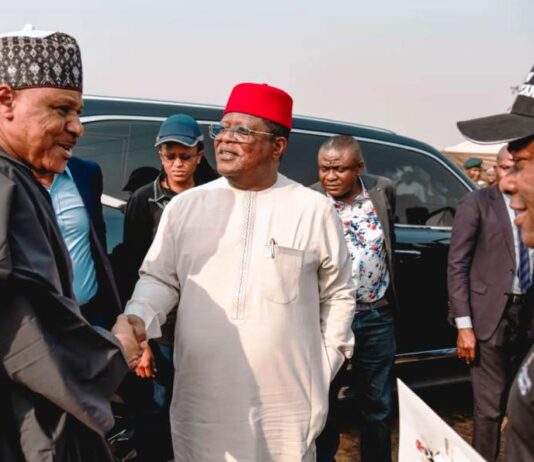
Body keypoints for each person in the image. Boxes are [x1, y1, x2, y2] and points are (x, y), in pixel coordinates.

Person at [123, 82, 356, 461]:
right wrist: (138, 316)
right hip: (202, 398)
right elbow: (160, 278)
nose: (225, 140)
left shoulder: (312, 210)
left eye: (242, 131)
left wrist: (327, 360)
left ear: (277, 146)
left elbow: (339, 294)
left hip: (284, 401)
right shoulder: (187, 207)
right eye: (222, 128)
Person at [0, 27, 143, 461]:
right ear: (5, 100)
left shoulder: (22, 181)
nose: (77, 127)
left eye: (78, 111)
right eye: (60, 109)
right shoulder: (6, 188)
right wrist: (116, 347)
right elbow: (30, 337)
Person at [452, 67, 534, 461]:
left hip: (524, 314)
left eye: (523, 165)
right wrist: (464, 325)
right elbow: (458, 265)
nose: (512, 192)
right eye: (508, 167)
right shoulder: (476, 204)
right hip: (491, 318)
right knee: (493, 408)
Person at [121, 114, 206, 462]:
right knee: (156, 411)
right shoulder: (145, 200)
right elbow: (131, 270)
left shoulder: (213, 196)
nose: (176, 164)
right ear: (160, 156)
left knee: (199, 410)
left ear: (199, 154)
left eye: (184, 156)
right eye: (169, 156)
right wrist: (142, 342)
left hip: (202, 326)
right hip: (160, 330)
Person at [312, 135, 397, 462]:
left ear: (359, 168)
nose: (330, 176)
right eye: (324, 169)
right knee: (324, 399)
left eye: (339, 169)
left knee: (377, 404)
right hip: (327, 318)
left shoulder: (381, 191)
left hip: (376, 315)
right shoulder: (310, 201)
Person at [33, 156, 122, 329]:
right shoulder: (11, 178)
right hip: (39, 323)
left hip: (91, 313)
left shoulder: (86, 171)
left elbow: (98, 235)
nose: (75, 129)